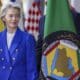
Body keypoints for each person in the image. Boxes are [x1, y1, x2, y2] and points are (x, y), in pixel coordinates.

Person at [0, 2, 38, 80]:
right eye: (10, 16)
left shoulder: (27, 38)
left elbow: (31, 68)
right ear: (3, 18)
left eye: (17, 16)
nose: (14, 19)